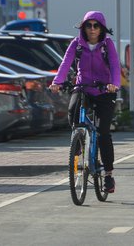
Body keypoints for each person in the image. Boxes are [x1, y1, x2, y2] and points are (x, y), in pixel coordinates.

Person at [49, 11, 121, 193]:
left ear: (102, 28)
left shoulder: (107, 45)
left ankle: (109, 176)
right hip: (84, 87)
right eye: (88, 25)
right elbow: (66, 63)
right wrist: (57, 81)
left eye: (96, 26)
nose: (92, 29)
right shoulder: (77, 44)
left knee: (103, 132)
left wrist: (115, 84)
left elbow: (114, 64)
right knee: (73, 111)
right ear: (83, 27)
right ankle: (79, 143)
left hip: (105, 90)